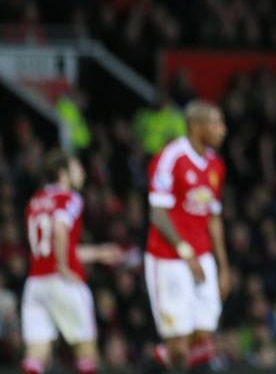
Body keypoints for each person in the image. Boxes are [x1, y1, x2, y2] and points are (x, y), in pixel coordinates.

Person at [144, 101, 229, 373]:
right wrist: (185, 251)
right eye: (215, 123)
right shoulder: (171, 158)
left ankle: (160, 356)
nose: (222, 130)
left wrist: (223, 266)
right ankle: (161, 358)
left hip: (203, 257)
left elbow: (213, 216)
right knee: (179, 345)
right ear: (196, 126)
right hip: (169, 258)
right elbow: (158, 213)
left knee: (203, 337)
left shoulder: (215, 164)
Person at [20, 150, 122, 374]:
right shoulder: (70, 198)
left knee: (37, 353)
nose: (82, 172)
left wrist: (98, 252)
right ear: (63, 173)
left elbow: (56, 245)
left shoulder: (35, 201)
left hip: (36, 283)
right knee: (86, 350)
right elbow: (59, 229)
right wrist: (64, 266)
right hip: (62, 281)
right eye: (77, 167)